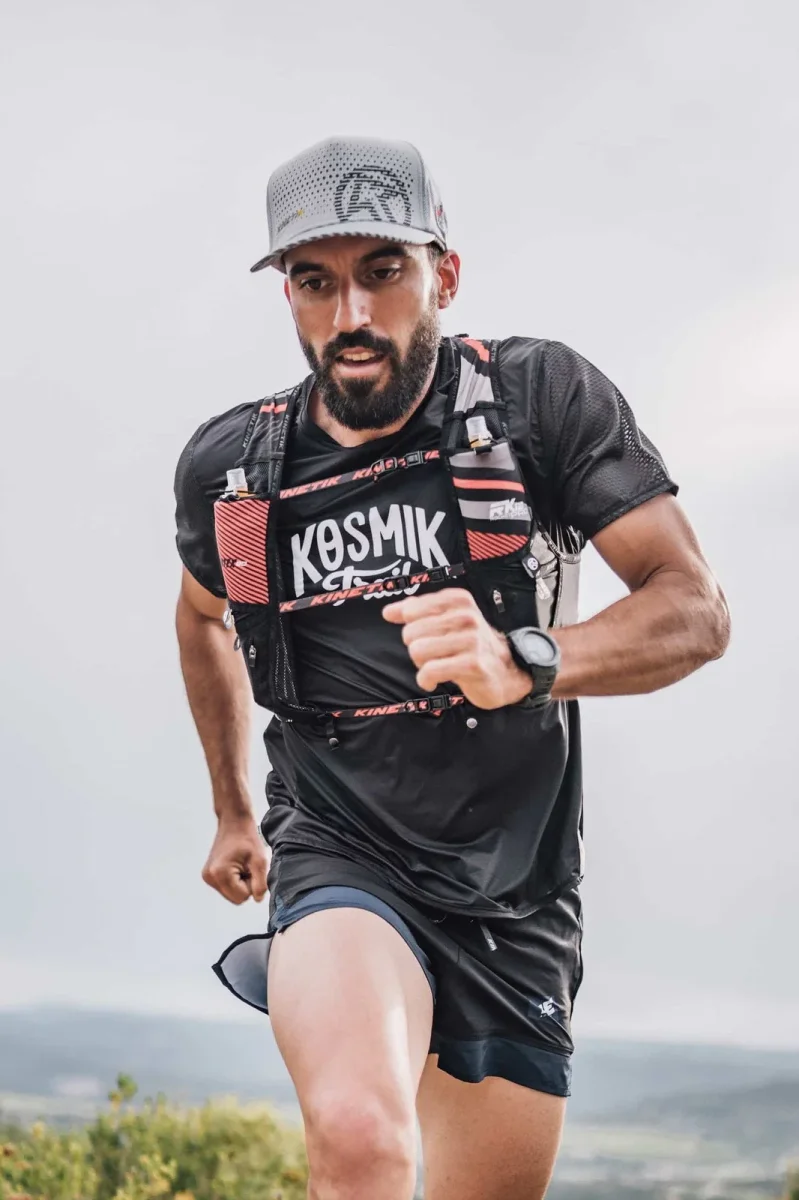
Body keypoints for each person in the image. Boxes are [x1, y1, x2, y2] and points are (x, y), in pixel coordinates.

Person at [174, 136, 730, 1200]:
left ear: (446, 273)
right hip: (339, 849)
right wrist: (234, 810)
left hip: (515, 892)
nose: (351, 315)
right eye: (314, 281)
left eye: (383, 270)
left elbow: (694, 609)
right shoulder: (238, 471)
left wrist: (526, 659)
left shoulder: (536, 401)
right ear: (287, 294)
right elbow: (203, 617)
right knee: (360, 1137)